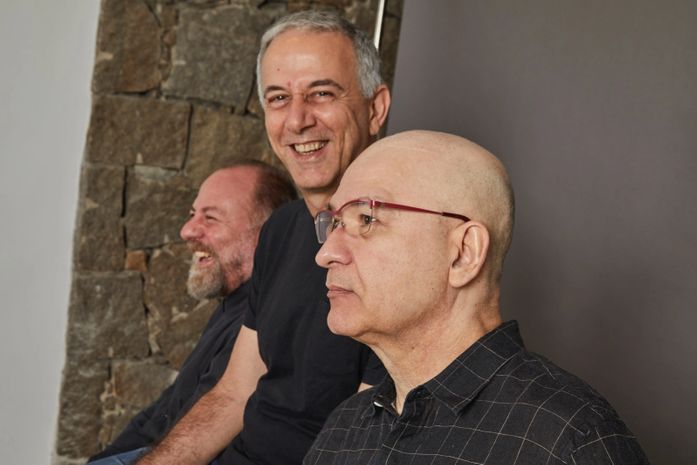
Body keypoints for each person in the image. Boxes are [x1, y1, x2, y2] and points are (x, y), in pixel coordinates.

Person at [135, 10, 391, 465]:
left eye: (322, 93)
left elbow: (360, 444)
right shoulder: (281, 229)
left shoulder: (400, 247)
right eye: (278, 98)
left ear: (375, 109)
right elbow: (234, 393)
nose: (297, 120)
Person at [305, 130, 649, 465]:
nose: (326, 253)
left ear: (464, 253)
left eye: (367, 219)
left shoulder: (568, 441)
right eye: (335, 223)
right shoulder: (344, 428)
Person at [86, 162, 296, 464]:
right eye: (192, 214)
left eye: (210, 218)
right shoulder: (231, 305)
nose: (187, 231)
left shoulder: (265, 317)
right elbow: (163, 410)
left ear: (267, 233)